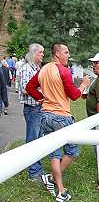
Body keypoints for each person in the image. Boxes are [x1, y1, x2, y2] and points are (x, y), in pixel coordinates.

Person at [26, 43, 91, 201]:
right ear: (57, 54)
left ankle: (60, 190)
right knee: (72, 151)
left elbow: (30, 87)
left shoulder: (43, 69)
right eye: (66, 52)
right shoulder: (63, 70)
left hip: (45, 115)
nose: (68, 55)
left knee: (55, 154)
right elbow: (75, 95)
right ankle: (52, 179)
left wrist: (42, 99)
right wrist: (83, 84)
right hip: (61, 116)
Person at [17, 43, 46, 182]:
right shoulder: (26, 69)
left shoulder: (36, 68)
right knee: (33, 140)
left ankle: (37, 169)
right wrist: (41, 92)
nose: (42, 55)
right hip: (32, 108)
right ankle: (34, 173)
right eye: (41, 52)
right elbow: (25, 88)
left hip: (38, 108)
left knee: (39, 139)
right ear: (34, 53)